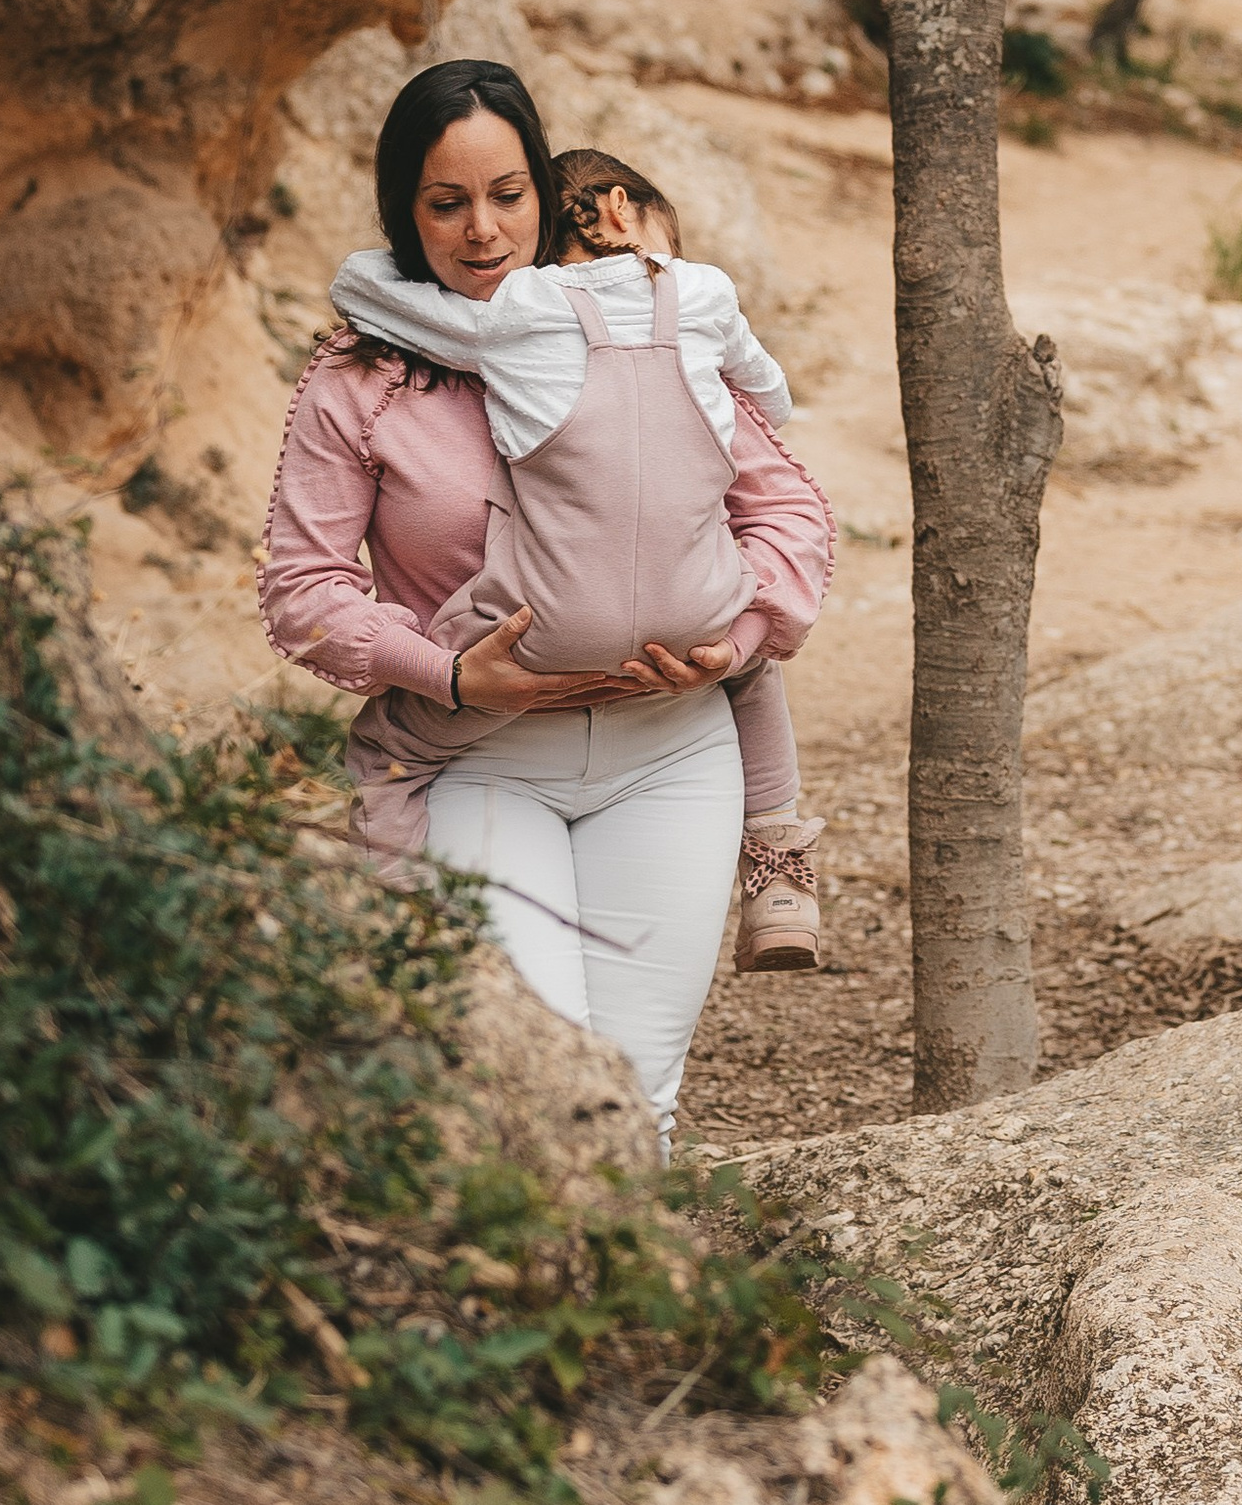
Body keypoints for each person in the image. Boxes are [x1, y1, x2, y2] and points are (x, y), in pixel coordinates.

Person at [256, 59, 835, 1151]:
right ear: (402, 210)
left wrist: (737, 639)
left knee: (640, 1096)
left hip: (673, 757)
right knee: (537, 1086)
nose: (482, 232)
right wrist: (449, 670)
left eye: (507, 195)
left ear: (547, 188)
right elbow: (303, 589)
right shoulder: (362, 380)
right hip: (480, 761)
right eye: (445, 202)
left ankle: (634, 1321)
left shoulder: (642, 323)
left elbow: (788, 512)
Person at [324, 146, 828, 969]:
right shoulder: (705, 292)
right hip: (694, 622)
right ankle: (779, 856)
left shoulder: (518, 311)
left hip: (537, 636)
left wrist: (414, 259)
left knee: (396, 744)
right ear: (625, 208)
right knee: (750, 660)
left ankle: (393, 886)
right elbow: (769, 395)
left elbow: (364, 289)